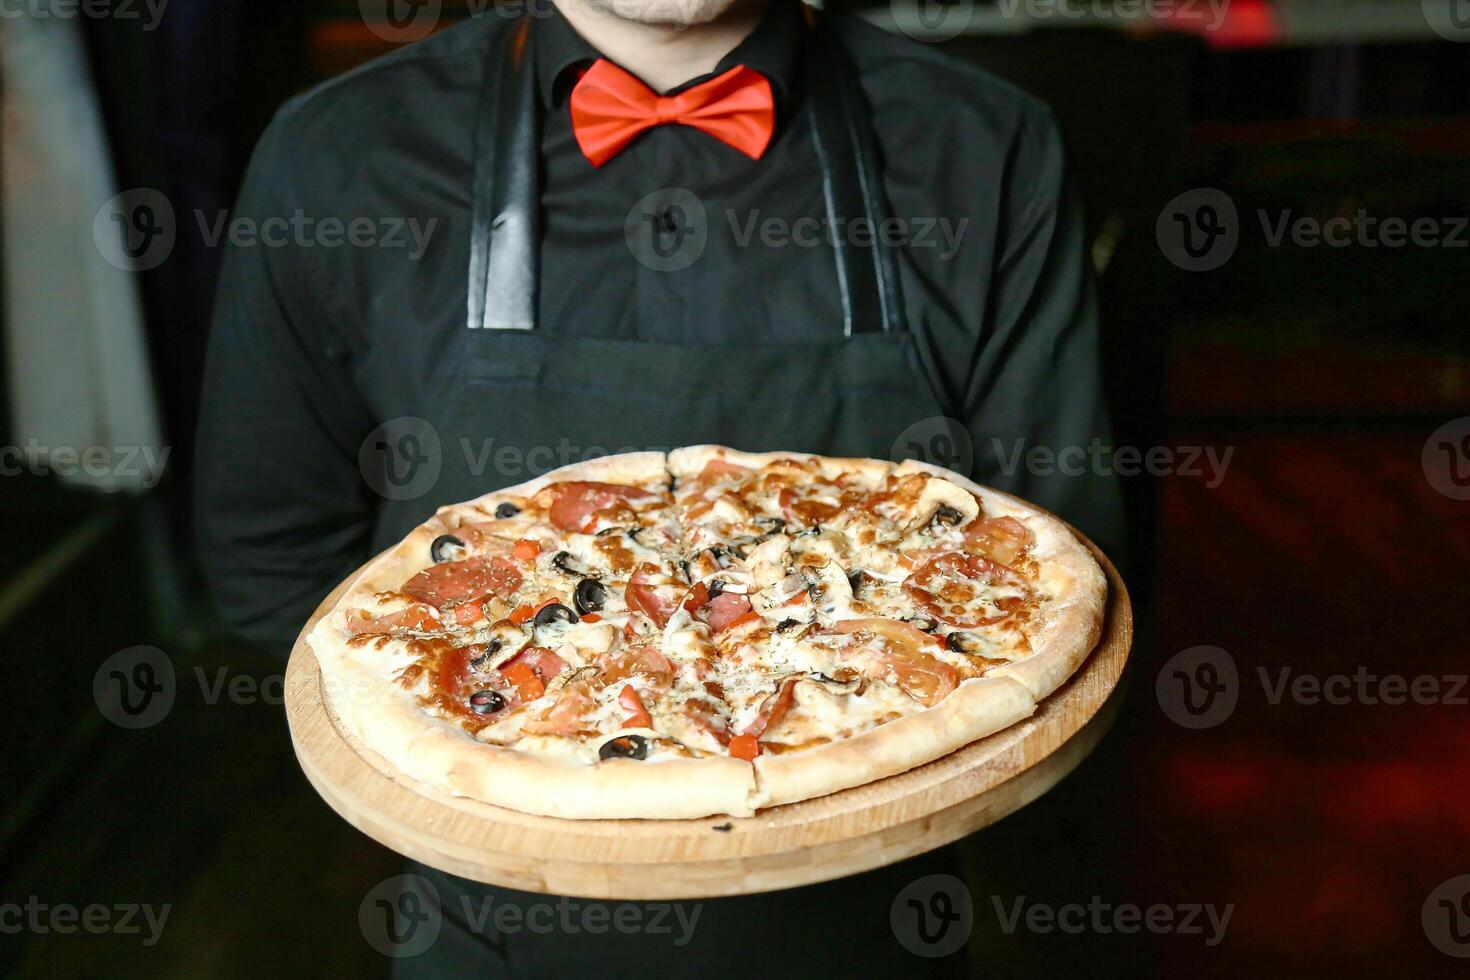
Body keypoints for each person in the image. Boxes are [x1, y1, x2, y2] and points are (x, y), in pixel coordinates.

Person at [195, 0, 1123, 973]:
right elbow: (271, 559)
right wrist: (514, 731)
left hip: (868, 930)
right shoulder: (338, 155)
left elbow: (1058, 568)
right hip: (489, 936)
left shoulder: (990, 147)